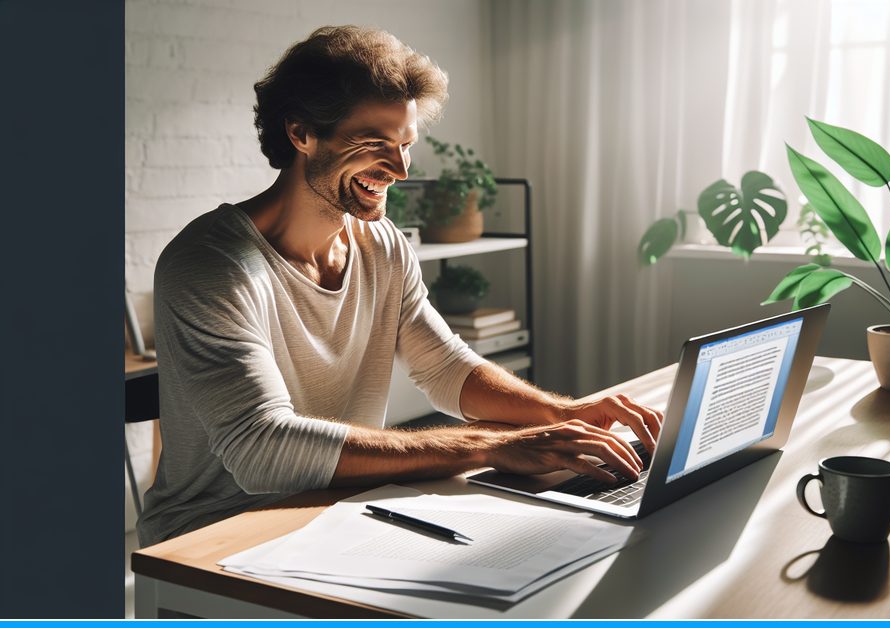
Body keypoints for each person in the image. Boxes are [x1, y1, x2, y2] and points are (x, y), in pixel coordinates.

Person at [137, 25, 662, 546]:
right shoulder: (211, 265)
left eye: (406, 143)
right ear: (300, 134)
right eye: (373, 144)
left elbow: (444, 367)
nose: (399, 168)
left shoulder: (379, 243)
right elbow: (264, 453)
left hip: (342, 511)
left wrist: (563, 413)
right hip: (215, 537)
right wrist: (488, 446)